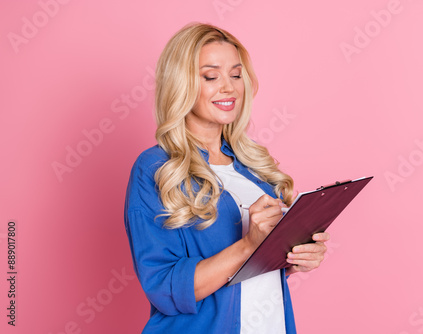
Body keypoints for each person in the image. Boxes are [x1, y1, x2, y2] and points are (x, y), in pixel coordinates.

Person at [124, 22, 330, 333]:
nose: (229, 87)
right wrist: (249, 245)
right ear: (180, 84)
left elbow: (254, 272)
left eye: (235, 75)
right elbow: (163, 288)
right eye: (211, 76)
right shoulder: (155, 168)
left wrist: (295, 254)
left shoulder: (253, 167)